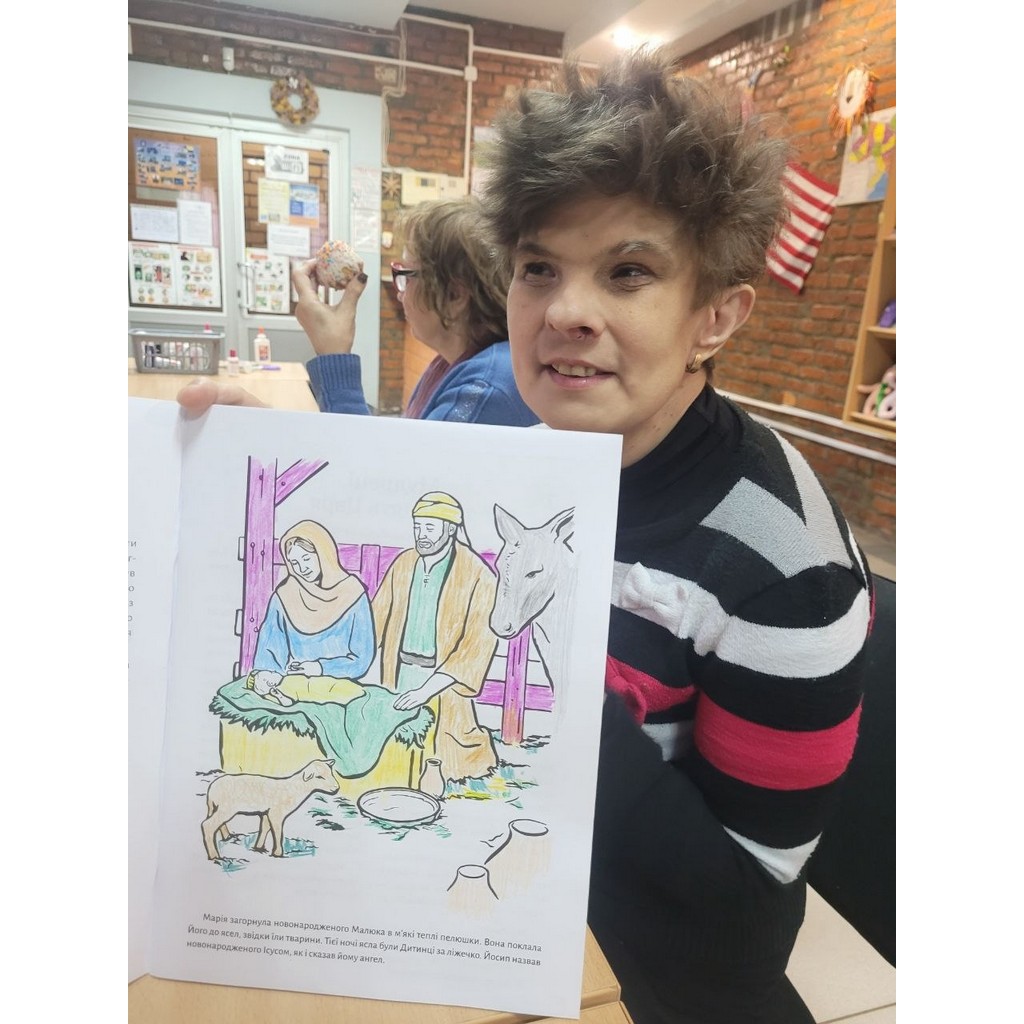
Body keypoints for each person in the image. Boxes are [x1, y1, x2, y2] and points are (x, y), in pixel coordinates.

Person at [477, 49, 872, 1024]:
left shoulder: (782, 565)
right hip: (513, 887)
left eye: (628, 272)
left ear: (714, 317)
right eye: (538, 268)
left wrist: (553, 697)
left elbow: (740, 920)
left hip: (651, 971)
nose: (565, 311)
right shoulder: (536, 459)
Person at [178, 197, 539, 428]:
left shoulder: (485, 385)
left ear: (455, 295)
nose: (399, 291)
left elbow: (381, 487)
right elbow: (398, 451)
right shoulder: (457, 363)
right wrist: (265, 423)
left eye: (405, 274)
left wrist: (334, 354)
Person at [370, 491, 499, 789]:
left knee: (445, 758)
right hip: (398, 672)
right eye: (417, 526)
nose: (421, 535)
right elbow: (376, 619)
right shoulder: (403, 563)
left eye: (430, 527)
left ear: (451, 528)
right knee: (393, 749)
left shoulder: (479, 575)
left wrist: (425, 691)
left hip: (444, 684)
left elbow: (475, 647)